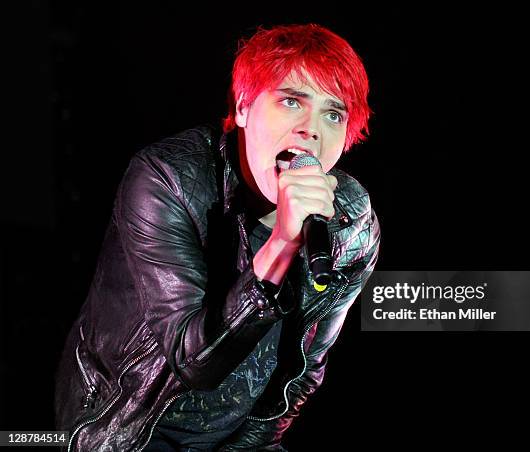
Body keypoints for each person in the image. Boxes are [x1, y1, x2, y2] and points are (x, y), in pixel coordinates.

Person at [55, 23, 380, 451]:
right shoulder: (167, 181)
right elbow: (192, 361)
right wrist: (281, 245)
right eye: (290, 101)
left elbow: (305, 369)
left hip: (236, 439)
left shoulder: (351, 223)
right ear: (244, 106)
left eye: (333, 114)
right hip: (130, 428)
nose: (311, 129)